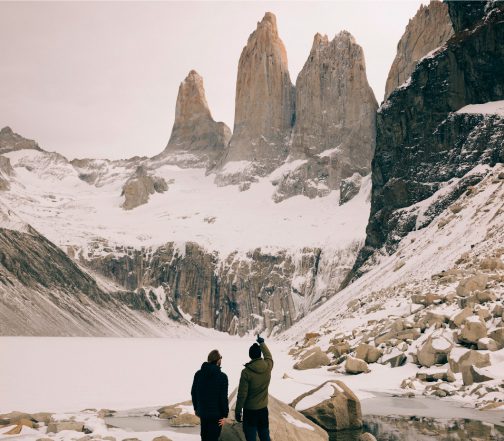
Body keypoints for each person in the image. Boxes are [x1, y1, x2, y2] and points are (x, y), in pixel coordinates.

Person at [235, 335, 273, 441]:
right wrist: (262, 343)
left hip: (250, 411)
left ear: (250, 355)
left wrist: (238, 411)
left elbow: (242, 394)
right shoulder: (268, 366)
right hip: (263, 410)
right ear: (259, 354)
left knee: (251, 437)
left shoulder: (246, 372)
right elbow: (269, 357)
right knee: (265, 436)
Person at [191, 349, 229, 441]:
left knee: (204, 437)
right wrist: (225, 415)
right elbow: (223, 398)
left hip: (203, 413)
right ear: (218, 360)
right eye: (220, 358)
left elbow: (193, 392)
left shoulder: (198, 374)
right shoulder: (222, 377)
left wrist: (197, 409)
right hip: (217, 415)